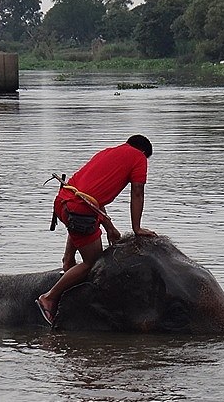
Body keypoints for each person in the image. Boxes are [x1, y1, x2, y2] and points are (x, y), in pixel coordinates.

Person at [36, 134, 157, 325]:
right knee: (93, 262)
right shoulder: (139, 157)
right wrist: (137, 228)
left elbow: (91, 196)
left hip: (63, 201)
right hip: (79, 211)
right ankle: (49, 298)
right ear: (143, 152)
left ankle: (68, 262)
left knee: (81, 232)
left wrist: (109, 226)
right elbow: (137, 192)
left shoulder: (109, 152)